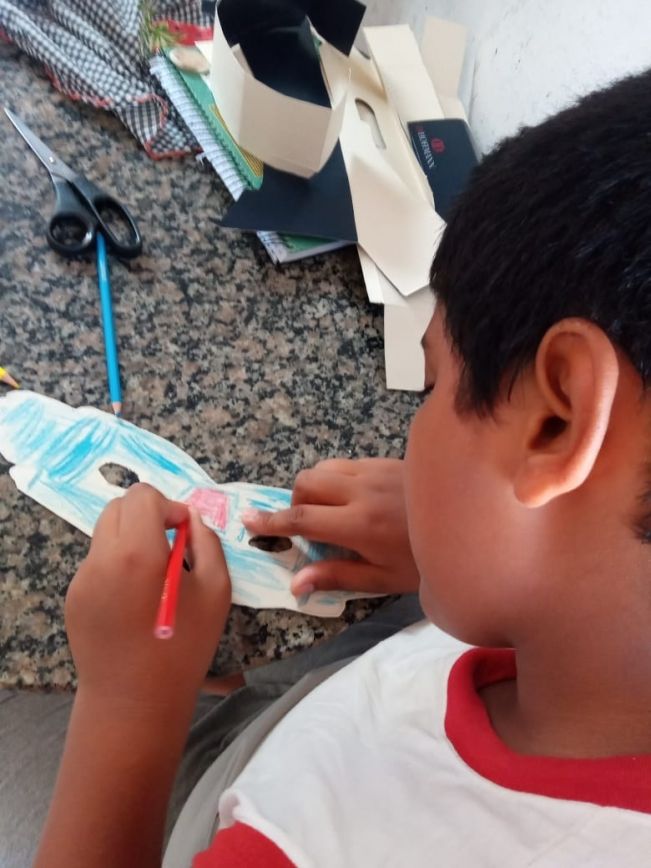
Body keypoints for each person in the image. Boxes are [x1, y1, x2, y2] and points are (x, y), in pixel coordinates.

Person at [35, 66, 651, 867]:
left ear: (556, 419)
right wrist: (471, 540)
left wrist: (128, 704)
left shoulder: (307, 849)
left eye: (432, 385)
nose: (417, 424)